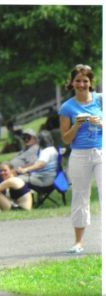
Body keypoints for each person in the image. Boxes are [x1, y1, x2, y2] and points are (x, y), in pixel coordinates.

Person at [59, 64, 102, 254]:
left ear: (91, 83)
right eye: (78, 80)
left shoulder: (101, 101)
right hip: (79, 155)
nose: (82, 84)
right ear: (72, 83)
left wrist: (101, 123)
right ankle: (78, 242)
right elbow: (66, 139)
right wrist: (77, 125)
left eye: (85, 80)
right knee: (80, 196)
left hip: (101, 152)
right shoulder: (67, 107)